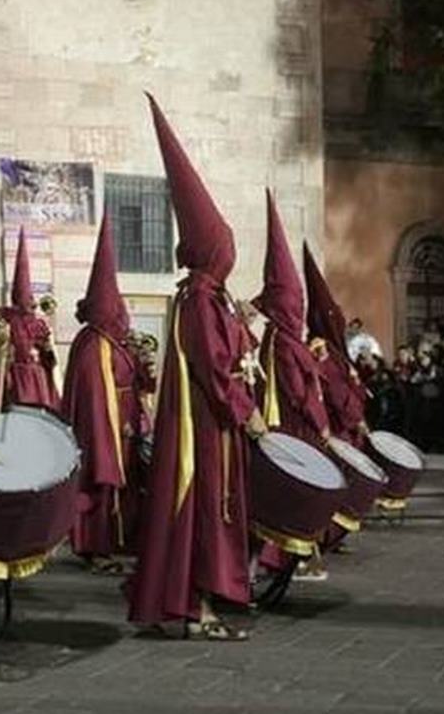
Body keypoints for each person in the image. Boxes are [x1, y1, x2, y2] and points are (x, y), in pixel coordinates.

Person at [127, 95, 267, 641]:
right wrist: (247, 411)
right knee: (203, 511)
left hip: (217, 427)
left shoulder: (210, 298)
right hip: (204, 431)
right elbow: (214, 366)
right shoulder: (200, 299)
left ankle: (197, 599)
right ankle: (195, 604)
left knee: (213, 510)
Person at [252, 191, 333, 582]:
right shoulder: (285, 342)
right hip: (295, 426)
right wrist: (322, 425)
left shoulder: (278, 339)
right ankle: (285, 557)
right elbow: (300, 392)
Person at [61, 214, 142, 574]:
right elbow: (96, 401)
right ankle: (95, 547)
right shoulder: (95, 345)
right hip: (103, 430)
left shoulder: (110, 343)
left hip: (121, 424)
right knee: (96, 488)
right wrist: (107, 439)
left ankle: (115, 542)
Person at [304, 246, 370, 447]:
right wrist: (357, 418)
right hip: (339, 431)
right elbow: (336, 389)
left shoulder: (334, 349)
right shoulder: (322, 351)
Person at [0, 227, 59, 409]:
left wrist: (46, 348)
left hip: (36, 375)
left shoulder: (38, 323)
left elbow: (48, 357)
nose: (29, 302)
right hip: (16, 375)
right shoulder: (6, 318)